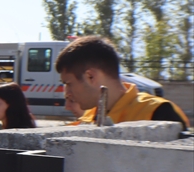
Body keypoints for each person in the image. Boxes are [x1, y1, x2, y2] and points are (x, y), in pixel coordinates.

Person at [57, 35, 189, 128]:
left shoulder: (158, 113)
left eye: (68, 83)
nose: (67, 93)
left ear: (90, 77)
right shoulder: (88, 118)